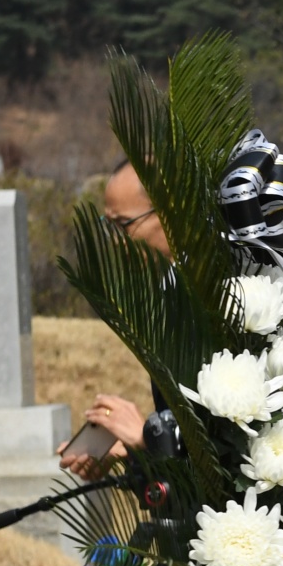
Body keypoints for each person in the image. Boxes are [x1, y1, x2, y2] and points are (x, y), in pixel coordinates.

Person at [59, 163, 167, 474]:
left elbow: (231, 440)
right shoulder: (163, 295)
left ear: (170, 214)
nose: (115, 241)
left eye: (123, 224)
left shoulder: (222, 295)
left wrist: (146, 437)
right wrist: (132, 451)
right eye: (108, 226)